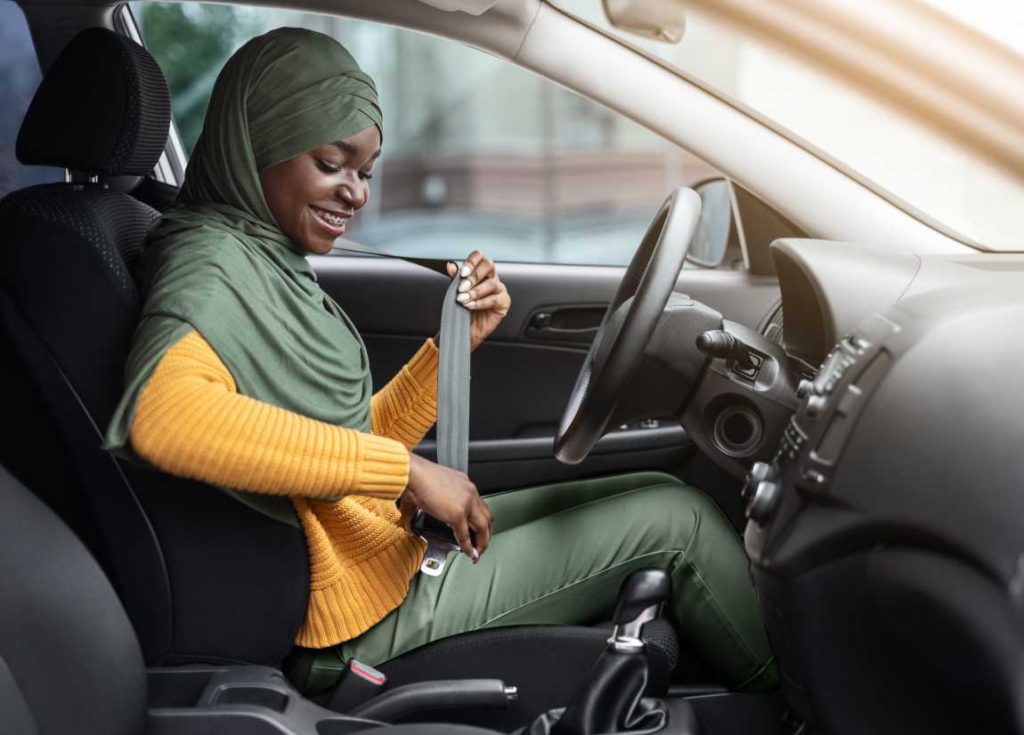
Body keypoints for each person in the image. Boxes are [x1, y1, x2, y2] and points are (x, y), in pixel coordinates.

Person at [103, 27, 776, 694]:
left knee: (656, 494)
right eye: (331, 163)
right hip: (357, 621)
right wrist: (409, 473)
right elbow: (165, 418)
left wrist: (454, 342)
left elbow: (343, 438)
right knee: (678, 525)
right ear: (260, 144)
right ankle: (803, 708)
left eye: (365, 172)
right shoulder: (209, 261)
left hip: (385, 556)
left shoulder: (263, 256)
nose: (356, 193)